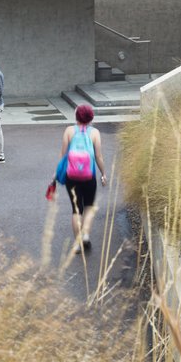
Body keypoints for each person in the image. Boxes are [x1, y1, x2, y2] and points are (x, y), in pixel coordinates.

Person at [59, 104, 107, 253]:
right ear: (91, 117)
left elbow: (63, 155)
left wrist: (59, 174)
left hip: (71, 176)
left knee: (76, 209)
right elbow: (98, 156)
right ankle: (85, 234)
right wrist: (103, 173)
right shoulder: (95, 133)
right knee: (89, 206)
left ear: (76, 116)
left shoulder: (69, 131)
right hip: (89, 176)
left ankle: (77, 243)